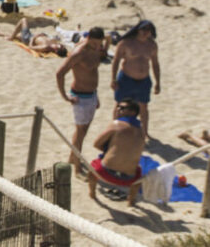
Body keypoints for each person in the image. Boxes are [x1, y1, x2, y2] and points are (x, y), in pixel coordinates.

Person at [56, 28, 106, 174]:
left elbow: (93, 72)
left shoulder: (97, 48)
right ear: (88, 38)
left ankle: (73, 158)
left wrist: (96, 96)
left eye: (100, 44)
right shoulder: (79, 53)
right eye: (95, 43)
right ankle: (77, 168)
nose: (98, 47)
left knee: (83, 132)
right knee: (80, 132)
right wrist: (65, 96)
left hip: (92, 94)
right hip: (79, 96)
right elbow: (60, 73)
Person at [88, 100, 146, 205]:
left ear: (133, 112)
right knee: (139, 172)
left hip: (105, 173)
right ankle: (131, 201)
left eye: (123, 108)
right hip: (130, 179)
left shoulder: (116, 124)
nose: (118, 109)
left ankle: (92, 194)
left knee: (92, 169)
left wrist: (110, 150)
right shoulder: (142, 131)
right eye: (118, 107)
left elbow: (96, 144)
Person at [111, 20, 160, 140]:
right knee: (120, 105)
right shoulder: (126, 43)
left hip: (143, 80)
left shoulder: (152, 45)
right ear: (138, 30)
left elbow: (155, 64)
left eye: (148, 30)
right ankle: (114, 129)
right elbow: (116, 61)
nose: (145, 33)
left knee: (144, 106)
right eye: (143, 29)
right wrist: (113, 79)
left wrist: (158, 82)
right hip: (126, 78)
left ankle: (145, 132)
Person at [0, 17, 68, 56]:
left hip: (28, 38)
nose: (60, 45)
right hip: (32, 36)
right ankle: (0, 33)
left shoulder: (45, 47)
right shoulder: (54, 43)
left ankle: (10, 37)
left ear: (56, 51)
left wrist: (33, 38)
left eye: (60, 46)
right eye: (62, 46)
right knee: (17, 36)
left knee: (23, 20)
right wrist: (43, 35)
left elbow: (31, 47)